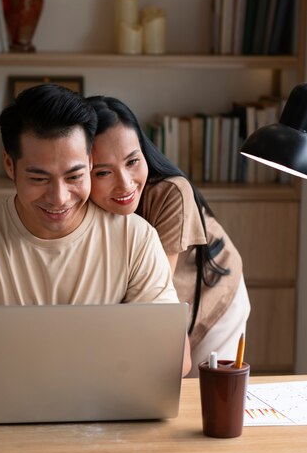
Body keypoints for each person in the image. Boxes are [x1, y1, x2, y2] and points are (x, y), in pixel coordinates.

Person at [0, 84, 191, 386]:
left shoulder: (137, 239)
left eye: (74, 176)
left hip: (102, 410)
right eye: (38, 178)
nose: (59, 198)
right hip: (3, 400)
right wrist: (29, 379)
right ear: (9, 164)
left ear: (90, 162)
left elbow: (175, 356)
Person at [86, 95, 251, 377]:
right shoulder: (76, 201)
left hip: (211, 292)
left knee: (203, 399)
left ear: (144, 151)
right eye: (103, 172)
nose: (125, 183)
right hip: (158, 309)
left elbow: (154, 293)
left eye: (132, 161)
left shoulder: (170, 193)